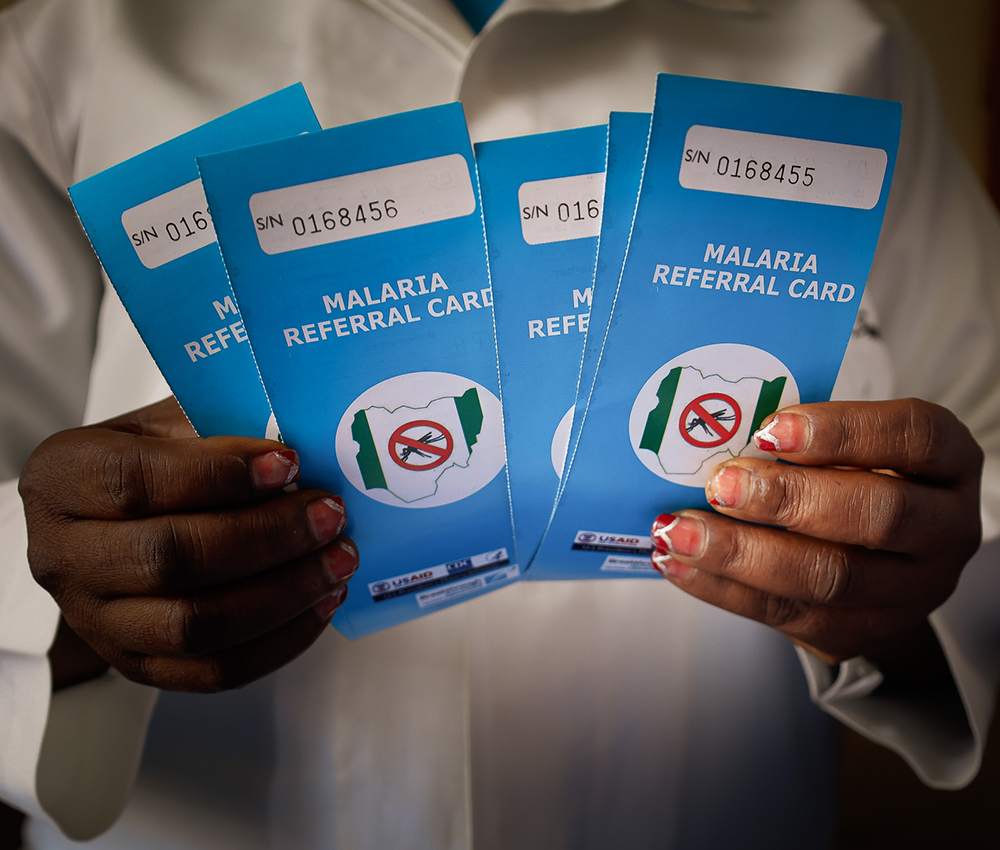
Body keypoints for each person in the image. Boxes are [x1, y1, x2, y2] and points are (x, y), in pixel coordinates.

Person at [3, 0, 1000, 848]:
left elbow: (984, 461)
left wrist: (909, 600)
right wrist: (56, 592)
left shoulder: (846, 50)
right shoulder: (69, 48)